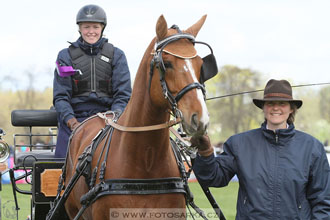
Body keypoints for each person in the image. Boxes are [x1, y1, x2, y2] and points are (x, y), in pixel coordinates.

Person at [191, 79, 330, 219]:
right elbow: (213, 178)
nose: (276, 108)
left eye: (282, 103)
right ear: (263, 108)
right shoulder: (239, 144)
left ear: (292, 108)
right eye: (270, 103)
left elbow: (323, 200)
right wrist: (206, 152)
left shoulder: (312, 147)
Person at [53, 4, 132, 158]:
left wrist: (113, 117)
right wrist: (72, 122)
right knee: (62, 169)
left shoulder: (117, 55)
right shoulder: (65, 56)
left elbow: (123, 95)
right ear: (80, 29)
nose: (91, 31)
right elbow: (61, 96)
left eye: (95, 27)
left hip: (108, 120)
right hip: (75, 120)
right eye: (86, 27)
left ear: (102, 28)